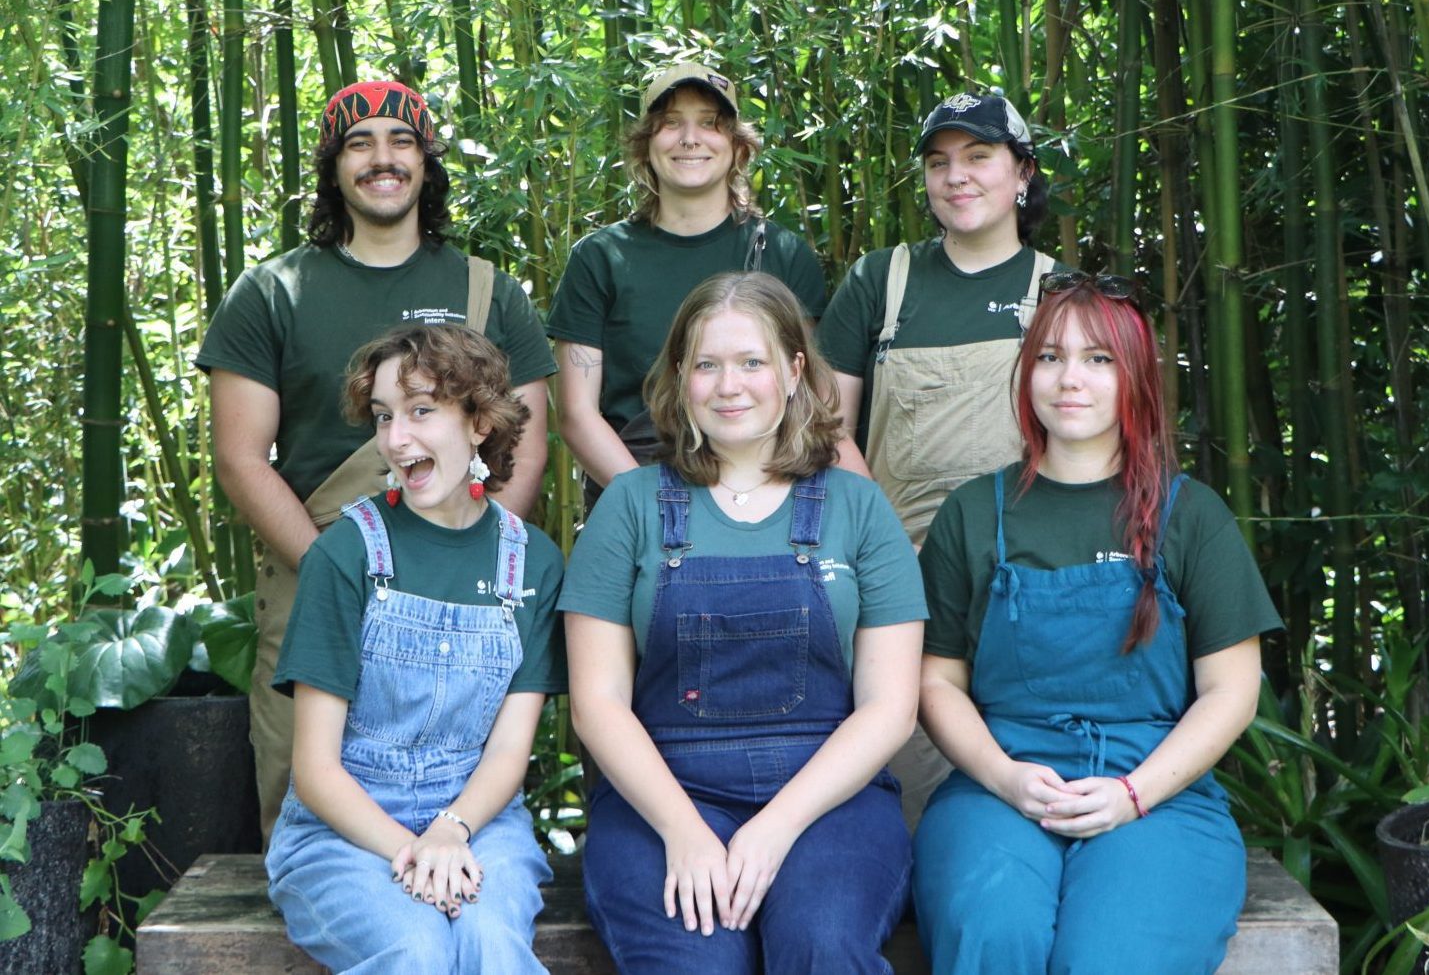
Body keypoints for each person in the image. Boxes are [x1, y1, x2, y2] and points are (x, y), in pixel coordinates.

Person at [196, 79, 557, 840]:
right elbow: (238, 458)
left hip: (465, 571)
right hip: (316, 557)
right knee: (302, 797)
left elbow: (525, 445)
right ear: (333, 167)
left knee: (465, 792)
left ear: (427, 160)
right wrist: (341, 569)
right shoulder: (272, 291)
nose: (382, 158)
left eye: (401, 140)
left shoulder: (488, 292)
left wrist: (478, 554)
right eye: (359, 143)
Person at [911, 272, 1279, 974]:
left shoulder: (1191, 514)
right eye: (1049, 356)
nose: (1068, 378)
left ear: (1135, 374)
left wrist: (1134, 792)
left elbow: (1232, 689)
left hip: (1157, 794)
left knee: (1109, 956)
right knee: (994, 930)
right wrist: (1004, 776)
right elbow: (937, 682)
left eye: (1097, 358)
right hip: (1003, 787)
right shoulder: (972, 512)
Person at [561, 272, 925, 972]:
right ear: (679, 377)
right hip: (663, 791)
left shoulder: (858, 507)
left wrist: (778, 825)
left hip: (827, 795)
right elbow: (597, 703)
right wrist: (683, 829)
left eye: (752, 361)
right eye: (706, 364)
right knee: (693, 960)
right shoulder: (630, 506)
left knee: (822, 943)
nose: (729, 385)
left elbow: (889, 708)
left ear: (793, 371)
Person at [265, 323, 566, 972]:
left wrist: (451, 830)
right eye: (383, 416)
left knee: (492, 947)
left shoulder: (532, 564)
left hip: (480, 819)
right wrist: (415, 848)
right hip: (345, 831)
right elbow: (316, 772)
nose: (396, 439)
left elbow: (510, 751)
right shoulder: (344, 555)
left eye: (421, 410)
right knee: (418, 947)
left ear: (480, 421)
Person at [815, 90, 1060, 829]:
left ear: (1022, 173)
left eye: (978, 157)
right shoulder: (881, 281)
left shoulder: (1057, 291)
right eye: (938, 162)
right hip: (900, 575)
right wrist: (887, 551)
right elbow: (825, 426)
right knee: (911, 791)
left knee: (1026, 787)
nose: (956, 176)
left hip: (1031, 576)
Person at [548, 62, 827, 506]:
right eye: (670, 124)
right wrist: (649, 505)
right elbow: (576, 414)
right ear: (645, 145)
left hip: (763, 496)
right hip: (635, 487)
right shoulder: (600, 258)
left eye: (710, 124)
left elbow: (811, 398)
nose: (690, 139)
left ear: (737, 147)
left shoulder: (783, 255)